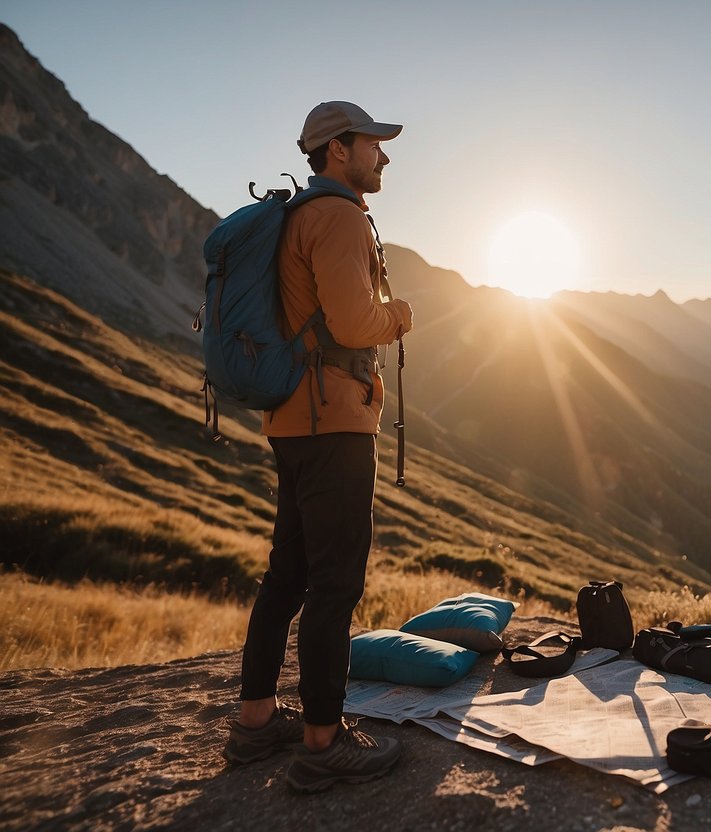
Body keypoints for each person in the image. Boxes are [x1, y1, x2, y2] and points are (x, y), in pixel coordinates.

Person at [222, 101, 414, 792]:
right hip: (332, 418)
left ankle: (254, 724)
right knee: (335, 583)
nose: (383, 157)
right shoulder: (336, 216)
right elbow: (356, 322)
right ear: (338, 150)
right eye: (374, 145)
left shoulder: (298, 215)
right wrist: (402, 315)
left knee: (288, 574)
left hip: (293, 418)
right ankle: (323, 743)